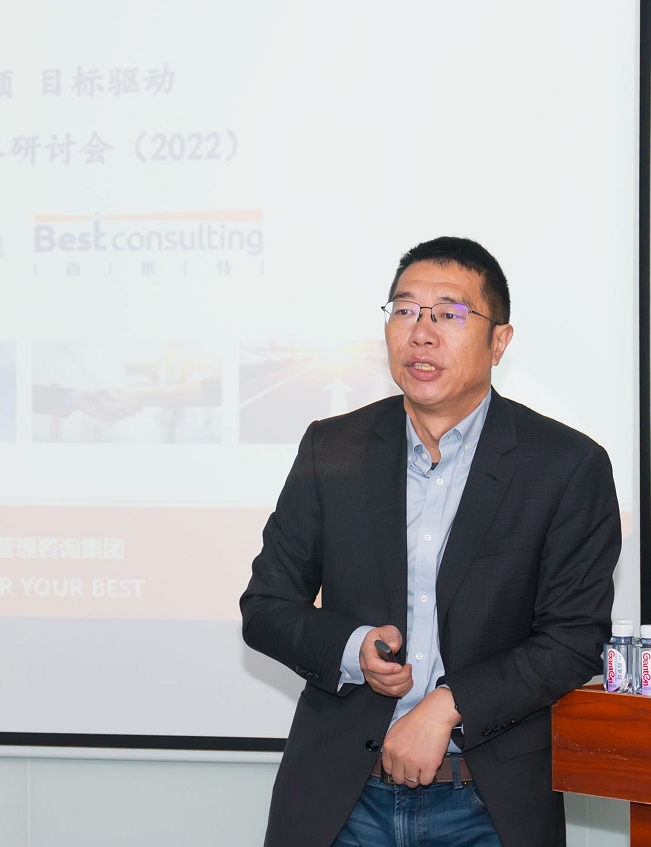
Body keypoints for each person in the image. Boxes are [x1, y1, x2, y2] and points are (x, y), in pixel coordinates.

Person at [240, 237, 622, 847]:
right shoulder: (332, 449)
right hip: (342, 797)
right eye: (405, 310)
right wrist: (353, 648)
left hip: (486, 804)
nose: (421, 333)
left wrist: (448, 704)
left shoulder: (566, 465)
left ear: (499, 341)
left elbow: (573, 639)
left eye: (449, 314)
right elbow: (265, 607)